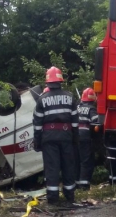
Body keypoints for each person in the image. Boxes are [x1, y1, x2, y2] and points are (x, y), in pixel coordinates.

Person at [33, 67, 79, 205]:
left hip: (49, 138)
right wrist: (74, 139)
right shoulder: (70, 97)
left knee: (52, 167)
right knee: (68, 166)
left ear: (47, 82)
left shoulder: (42, 100)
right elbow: (75, 123)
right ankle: (69, 196)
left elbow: (37, 124)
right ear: (60, 81)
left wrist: (37, 142)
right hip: (66, 136)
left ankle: (53, 198)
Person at [76, 88, 98, 190]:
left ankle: (76, 183)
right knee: (86, 161)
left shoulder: (77, 107)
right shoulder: (91, 109)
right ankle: (84, 185)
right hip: (85, 137)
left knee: (76, 160)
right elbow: (96, 122)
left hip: (75, 136)